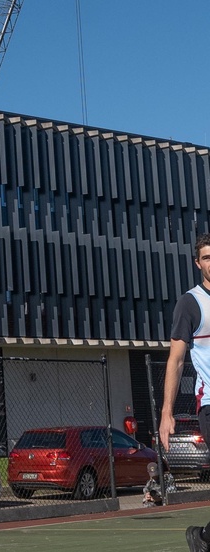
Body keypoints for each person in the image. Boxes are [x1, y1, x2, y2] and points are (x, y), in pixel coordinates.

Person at [159, 233, 210, 552]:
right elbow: (176, 361)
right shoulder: (190, 303)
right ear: (198, 263)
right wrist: (166, 413)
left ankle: (204, 538)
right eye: (207, 257)